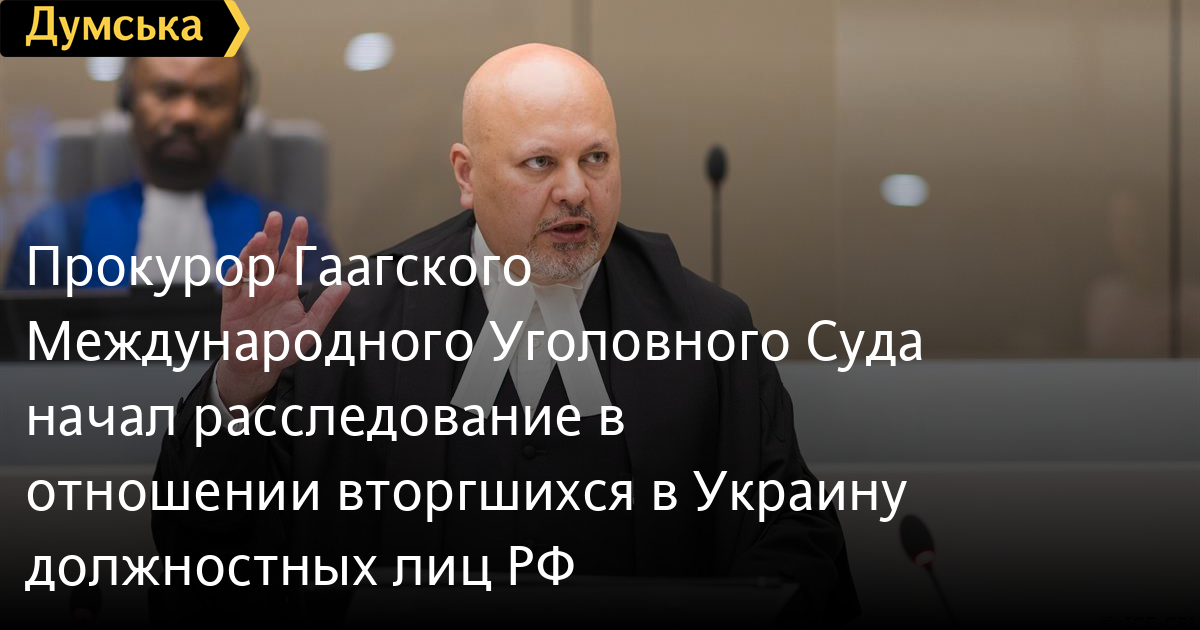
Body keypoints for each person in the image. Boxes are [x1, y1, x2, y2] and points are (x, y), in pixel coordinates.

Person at [152, 44, 858, 626]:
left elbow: (797, 543)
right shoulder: (356, 325)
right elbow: (213, 550)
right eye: (541, 163)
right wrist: (236, 396)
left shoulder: (705, 329)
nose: (575, 190)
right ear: (467, 175)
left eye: (596, 158)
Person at [4, 56, 335, 289]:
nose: (186, 114)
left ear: (238, 115)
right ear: (128, 101)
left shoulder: (296, 243)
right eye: (167, 92)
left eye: (210, 98)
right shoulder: (49, 238)